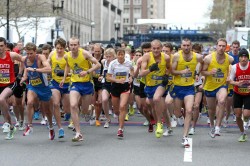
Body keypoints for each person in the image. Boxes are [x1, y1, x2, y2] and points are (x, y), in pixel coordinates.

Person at [60, 37, 101, 142]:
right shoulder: (67, 56)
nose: (73, 47)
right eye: (71, 45)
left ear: (78, 45)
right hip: (75, 83)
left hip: (87, 83)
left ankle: (90, 110)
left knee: (84, 110)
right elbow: (67, 66)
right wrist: (64, 79)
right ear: (68, 46)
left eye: (75, 45)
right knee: (73, 105)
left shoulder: (85, 54)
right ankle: (78, 133)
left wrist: (87, 72)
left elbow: (98, 64)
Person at [171, 38, 203, 147]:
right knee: (177, 112)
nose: (186, 47)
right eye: (184, 45)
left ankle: (185, 137)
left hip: (189, 87)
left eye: (188, 45)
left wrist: (197, 73)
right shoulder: (176, 56)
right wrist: (182, 72)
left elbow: (203, 63)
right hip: (177, 87)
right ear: (181, 46)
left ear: (191, 46)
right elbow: (172, 71)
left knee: (189, 110)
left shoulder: (197, 57)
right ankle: (178, 116)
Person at [20, 42, 55, 140]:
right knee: (30, 102)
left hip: (44, 87)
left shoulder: (41, 58)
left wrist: (35, 69)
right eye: (27, 53)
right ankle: (29, 126)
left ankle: (51, 127)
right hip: (33, 86)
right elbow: (26, 69)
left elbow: (49, 69)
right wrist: (24, 77)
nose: (29, 56)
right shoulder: (25, 59)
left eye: (31, 53)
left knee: (47, 110)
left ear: (35, 52)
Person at [201, 38, 234, 138]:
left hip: (222, 85)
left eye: (223, 46)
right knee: (211, 109)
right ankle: (212, 124)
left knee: (222, 101)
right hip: (210, 86)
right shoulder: (208, 58)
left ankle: (217, 127)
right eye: (219, 46)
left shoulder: (230, 59)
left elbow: (231, 70)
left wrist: (229, 77)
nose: (221, 48)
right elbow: (202, 71)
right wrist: (209, 73)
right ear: (216, 46)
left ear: (226, 47)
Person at [140, 39, 170, 138]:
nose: (156, 50)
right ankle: (163, 124)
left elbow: (169, 69)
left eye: (158, 48)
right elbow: (141, 73)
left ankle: (160, 124)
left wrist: (166, 76)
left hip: (161, 84)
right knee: (155, 107)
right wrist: (150, 69)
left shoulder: (166, 57)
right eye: (154, 48)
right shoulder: (147, 57)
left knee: (157, 99)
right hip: (149, 85)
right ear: (151, 48)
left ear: (161, 48)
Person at [107, 48, 134, 138]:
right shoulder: (113, 63)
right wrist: (117, 80)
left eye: (122, 54)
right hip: (115, 86)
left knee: (122, 106)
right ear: (116, 55)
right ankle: (119, 117)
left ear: (124, 55)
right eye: (119, 54)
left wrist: (131, 77)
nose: (120, 56)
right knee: (116, 110)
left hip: (125, 86)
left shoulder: (128, 63)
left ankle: (120, 129)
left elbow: (132, 70)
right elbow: (108, 77)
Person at [0, 37, 24, 140]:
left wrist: (21, 74)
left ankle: (6, 122)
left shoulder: (11, 55)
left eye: (1, 46)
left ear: (5, 46)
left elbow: (24, 60)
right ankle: (11, 126)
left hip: (10, 84)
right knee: (2, 103)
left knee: (1, 99)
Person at [47, 38, 71, 138]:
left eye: (61, 48)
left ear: (65, 48)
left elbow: (73, 71)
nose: (59, 50)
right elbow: (47, 63)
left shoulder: (68, 56)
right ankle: (60, 128)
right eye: (57, 48)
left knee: (67, 109)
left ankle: (70, 116)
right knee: (56, 103)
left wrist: (64, 75)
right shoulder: (52, 54)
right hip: (55, 83)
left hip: (67, 83)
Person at [229, 48, 250, 142]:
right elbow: (229, 80)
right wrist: (237, 83)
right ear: (239, 58)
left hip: (248, 94)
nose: (244, 58)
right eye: (242, 56)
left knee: (246, 114)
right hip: (238, 93)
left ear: (248, 58)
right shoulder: (234, 67)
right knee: (237, 115)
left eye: (245, 57)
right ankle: (242, 133)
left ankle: (247, 119)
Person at [101, 48, 116, 128]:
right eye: (106, 56)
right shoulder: (104, 62)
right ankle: (107, 118)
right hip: (106, 84)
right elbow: (104, 72)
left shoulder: (116, 64)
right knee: (104, 99)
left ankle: (119, 114)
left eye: (110, 56)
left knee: (116, 104)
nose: (108, 58)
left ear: (114, 57)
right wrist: (101, 76)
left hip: (115, 84)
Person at [92, 43, 104, 126]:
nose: (97, 53)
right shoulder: (90, 58)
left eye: (98, 51)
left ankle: (97, 118)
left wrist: (103, 75)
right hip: (92, 81)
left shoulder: (104, 59)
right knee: (93, 102)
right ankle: (93, 114)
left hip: (101, 82)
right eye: (95, 51)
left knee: (100, 101)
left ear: (101, 50)